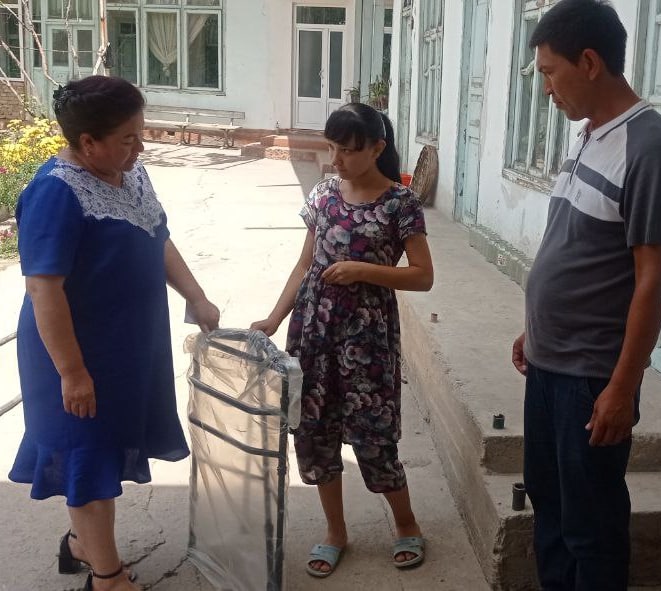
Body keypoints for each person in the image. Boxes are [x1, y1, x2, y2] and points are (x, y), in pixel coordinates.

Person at [8, 76, 220, 591]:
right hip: (74, 355)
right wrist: (72, 372)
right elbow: (43, 289)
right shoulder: (55, 192)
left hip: (127, 348)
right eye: (128, 139)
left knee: (101, 456)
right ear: (88, 143)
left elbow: (157, 238)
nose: (139, 148)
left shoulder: (131, 174)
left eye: (139, 134)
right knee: (86, 459)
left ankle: (82, 545)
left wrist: (195, 296)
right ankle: (107, 578)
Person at [510, 1, 661, 589]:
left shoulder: (650, 148)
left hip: (590, 377)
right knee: (550, 506)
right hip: (549, 363)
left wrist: (622, 387)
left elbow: (652, 280)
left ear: (589, 62)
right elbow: (575, 246)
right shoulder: (589, 134)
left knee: (591, 525)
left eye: (549, 72)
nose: (546, 89)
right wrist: (536, 329)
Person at [251, 103, 433, 578]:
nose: (336, 160)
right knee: (315, 434)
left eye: (348, 151)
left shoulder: (400, 203)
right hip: (314, 332)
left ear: (377, 148)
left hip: (367, 339)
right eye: (332, 148)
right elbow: (304, 264)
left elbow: (423, 276)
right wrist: (274, 317)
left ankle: (406, 524)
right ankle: (336, 531)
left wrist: (363, 271)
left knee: (374, 436)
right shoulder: (325, 194)